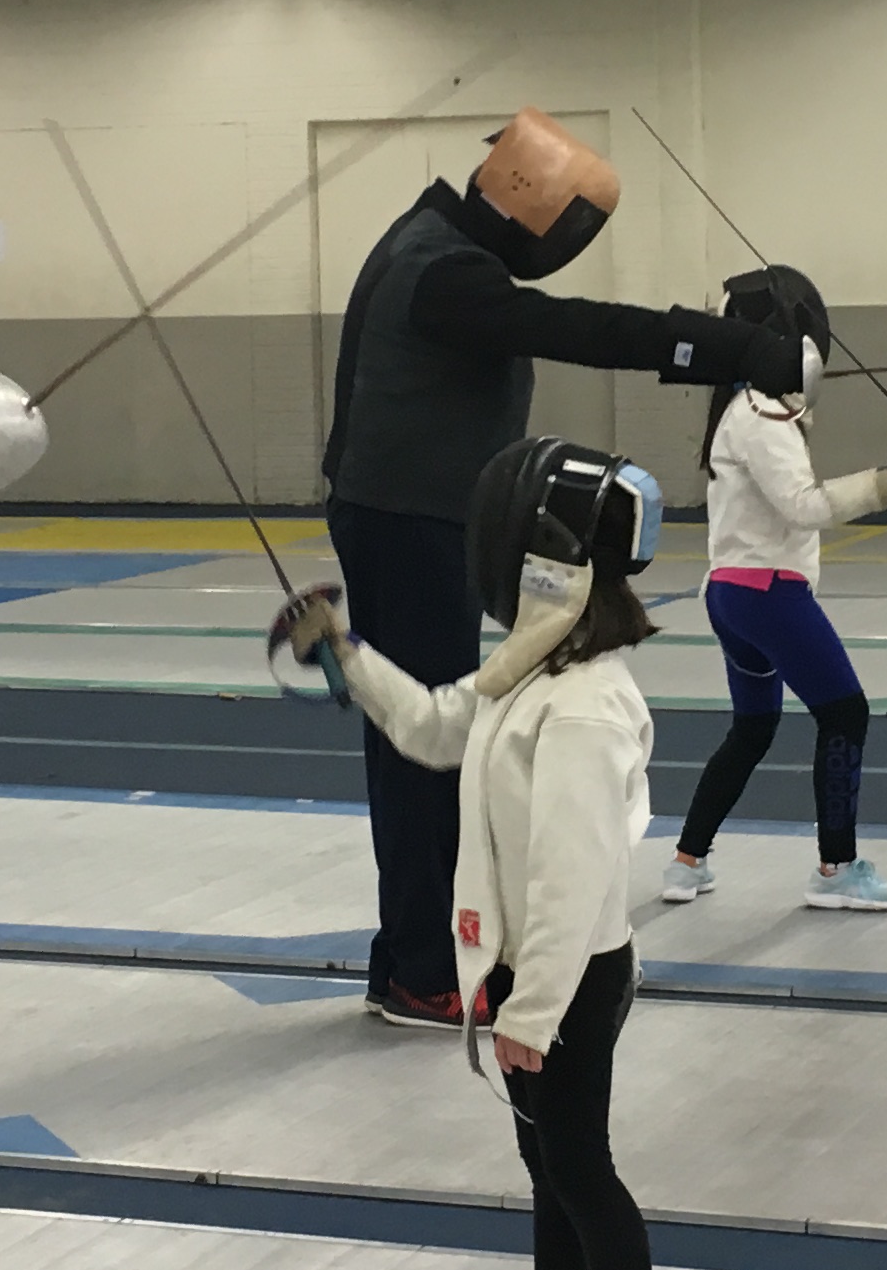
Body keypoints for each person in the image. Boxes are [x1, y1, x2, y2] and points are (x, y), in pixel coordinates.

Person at [319, 112, 802, 1028]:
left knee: (419, 742)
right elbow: (579, 327)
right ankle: (423, 968)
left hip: (405, 516)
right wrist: (726, 349)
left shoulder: (431, 241)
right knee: (426, 753)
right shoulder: (446, 273)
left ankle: (416, 956)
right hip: (407, 523)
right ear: (533, 208)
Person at [272, 436, 680, 1270]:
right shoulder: (533, 670)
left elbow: (574, 881)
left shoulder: (584, 709)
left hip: (571, 976)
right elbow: (435, 725)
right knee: (546, 1161)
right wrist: (345, 654)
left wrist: (531, 1015)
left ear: (537, 562)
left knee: (582, 1169)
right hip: (528, 974)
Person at [661, 265, 887, 914]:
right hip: (767, 595)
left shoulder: (736, 412)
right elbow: (804, 506)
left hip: (728, 595)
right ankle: (836, 870)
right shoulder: (762, 418)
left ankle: (686, 863)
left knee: (753, 728)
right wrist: (886, 486)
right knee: (845, 713)